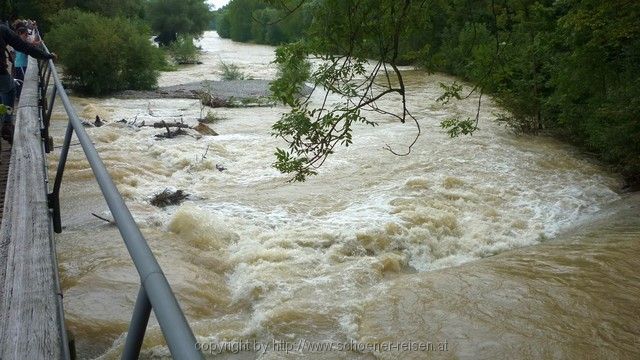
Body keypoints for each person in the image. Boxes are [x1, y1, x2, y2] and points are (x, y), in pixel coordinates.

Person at [0, 22, 55, 144]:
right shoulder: (2, 30)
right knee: (9, 89)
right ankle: (7, 123)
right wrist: (46, 56)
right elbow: (24, 47)